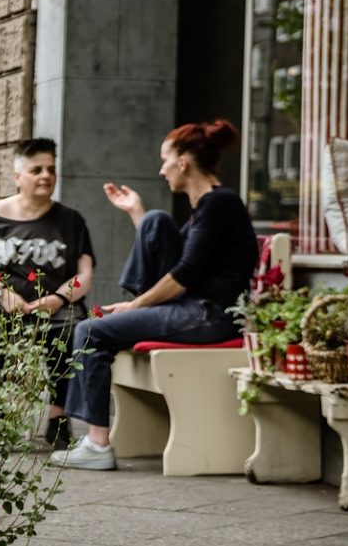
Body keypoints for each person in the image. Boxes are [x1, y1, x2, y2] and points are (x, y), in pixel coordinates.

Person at [52, 119, 258, 471]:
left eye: (165, 160)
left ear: (183, 162)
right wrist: (136, 212)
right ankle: (129, 321)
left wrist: (134, 306)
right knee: (154, 221)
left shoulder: (219, 204)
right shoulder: (207, 208)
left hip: (209, 315)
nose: (161, 169)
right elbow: (177, 262)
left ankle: (97, 445)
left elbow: (182, 276)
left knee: (89, 331)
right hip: (194, 308)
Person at [0, 138, 96, 446]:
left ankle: (58, 418)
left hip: (52, 300)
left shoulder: (70, 220)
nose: (46, 175)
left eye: (51, 169)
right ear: (18, 176)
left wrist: (58, 298)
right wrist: (1, 292)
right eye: (36, 170)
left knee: (71, 327)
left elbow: (85, 274)